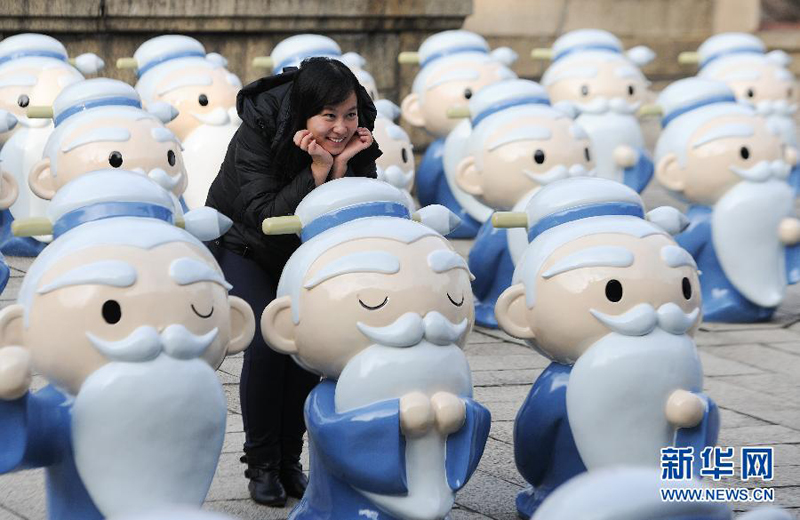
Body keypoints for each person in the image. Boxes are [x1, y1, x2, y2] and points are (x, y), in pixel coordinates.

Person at [205, 57, 381, 507]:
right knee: (269, 339)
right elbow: (267, 217)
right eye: (329, 117)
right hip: (243, 246)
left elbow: (356, 209)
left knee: (308, 339)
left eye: (349, 115)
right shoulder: (258, 128)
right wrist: (318, 171)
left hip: (303, 255)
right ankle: (261, 463)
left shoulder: (357, 138)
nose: (341, 127)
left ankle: (288, 459)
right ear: (304, 112)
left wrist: (343, 170)